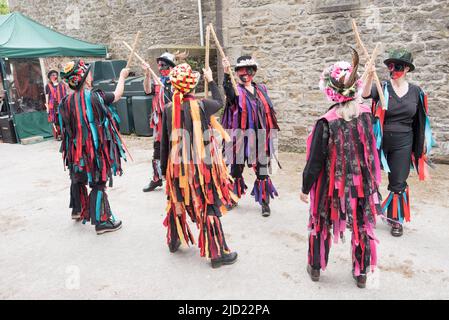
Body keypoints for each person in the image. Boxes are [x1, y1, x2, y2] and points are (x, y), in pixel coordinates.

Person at [300, 49, 382, 288]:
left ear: (330, 92)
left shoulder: (326, 122)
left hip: (331, 186)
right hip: (361, 184)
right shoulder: (368, 115)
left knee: (320, 220)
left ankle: (315, 266)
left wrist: (305, 187)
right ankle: (362, 273)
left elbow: (315, 161)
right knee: (361, 224)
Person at [160, 63, 238, 268]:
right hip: (202, 169)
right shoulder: (203, 105)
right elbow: (221, 101)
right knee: (208, 204)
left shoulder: (168, 109)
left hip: (176, 167)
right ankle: (217, 254)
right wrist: (211, 79)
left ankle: (174, 240)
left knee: (176, 200)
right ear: (192, 87)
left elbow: (163, 142)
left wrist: (163, 171)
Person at [362, 49, 435, 237]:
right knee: (370, 178)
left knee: (398, 182)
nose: (393, 70)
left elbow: (420, 120)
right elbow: (364, 94)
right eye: (390, 66)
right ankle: (367, 213)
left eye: (398, 66)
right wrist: (369, 75)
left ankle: (395, 219)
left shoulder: (416, 92)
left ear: (408, 69)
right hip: (380, 140)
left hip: (404, 142)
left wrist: (421, 146)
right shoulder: (382, 87)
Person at [58, 59, 130, 234]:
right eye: (88, 73)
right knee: (98, 182)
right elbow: (117, 94)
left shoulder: (65, 101)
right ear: (85, 78)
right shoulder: (95, 96)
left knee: (77, 177)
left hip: (75, 152)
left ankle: (78, 209)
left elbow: (64, 128)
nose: (91, 75)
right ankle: (102, 221)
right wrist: (122, 77)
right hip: (93, 152)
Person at [221, 55, 279, 217]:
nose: (244, 74)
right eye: (240, 71)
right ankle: (232, 198)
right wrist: (226, 73)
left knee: (262, 170)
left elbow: (267, 112)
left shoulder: (261, 89)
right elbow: (229, 93)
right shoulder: (236, 90)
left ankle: (265, 202)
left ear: (253, 72)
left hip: (259, 137)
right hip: (240, 138)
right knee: (236, 170)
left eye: (247, 71)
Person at [142, 52, 176, 192]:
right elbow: (147, 90)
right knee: (157, 150)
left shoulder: (177, 80)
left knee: (175, 149)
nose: (161, 67)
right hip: (160, 122)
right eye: (160, 65)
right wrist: (147, 74)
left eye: (164, 65)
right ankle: (157, 178)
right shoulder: (157, 81)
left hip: (174, 120)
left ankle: (174, 178)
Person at [45, 70, 68, 139]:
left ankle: (66, 133)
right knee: (56, 120)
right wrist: (47, 108)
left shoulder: (61, 84)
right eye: (52, 75)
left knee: (64, 118)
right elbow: (47, 96)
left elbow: (66, 91)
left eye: (55, 75)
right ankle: (59, 134)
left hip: (62, 104)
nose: (54, 76)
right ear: (50, 77)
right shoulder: (48, 86)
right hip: (53, 105)